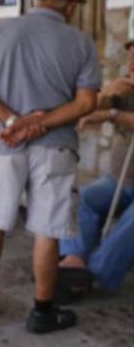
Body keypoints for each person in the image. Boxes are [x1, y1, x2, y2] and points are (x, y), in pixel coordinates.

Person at [0, 0, 100, 334]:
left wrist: (11, 121)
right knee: (47, 229)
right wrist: (44, 122)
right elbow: (85, 103)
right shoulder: (80, 42)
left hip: (4, 146)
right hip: (56, 147)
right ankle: (42, 310)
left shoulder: (1, 31)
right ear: (69, 6)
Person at [57, 39, 134, 294]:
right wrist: (107, 94)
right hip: (121, 181)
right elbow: (90, 108)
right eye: (130, 58)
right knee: (83, 198)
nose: (131, 64)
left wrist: (112, 115)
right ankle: (73, 258)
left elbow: (112, 116)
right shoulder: (126, 89)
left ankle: (96, 272)